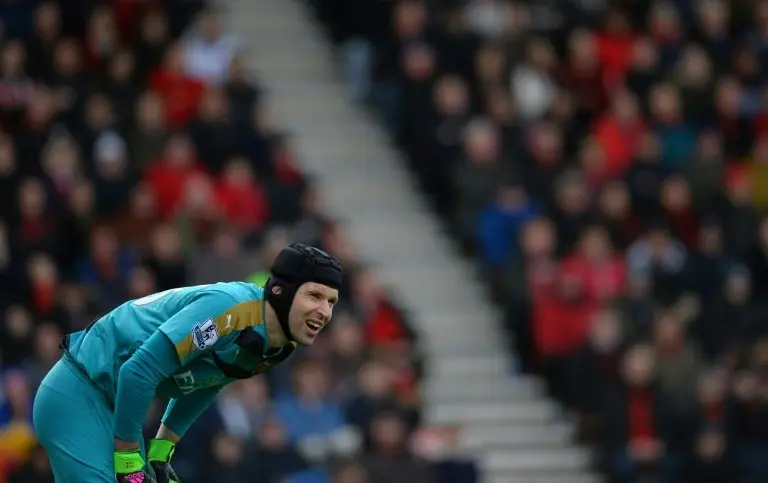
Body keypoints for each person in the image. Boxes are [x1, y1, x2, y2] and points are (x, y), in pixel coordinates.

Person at [32, 243, 343, 483]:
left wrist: (161, 449)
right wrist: (128, 457)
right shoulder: (231, 309)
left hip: (113, 407)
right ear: (279, 291)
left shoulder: (279, 344)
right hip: (79, 391)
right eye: (314, 296)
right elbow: (137, 372)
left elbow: (209, 382)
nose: (324, 311)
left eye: (331, 302)